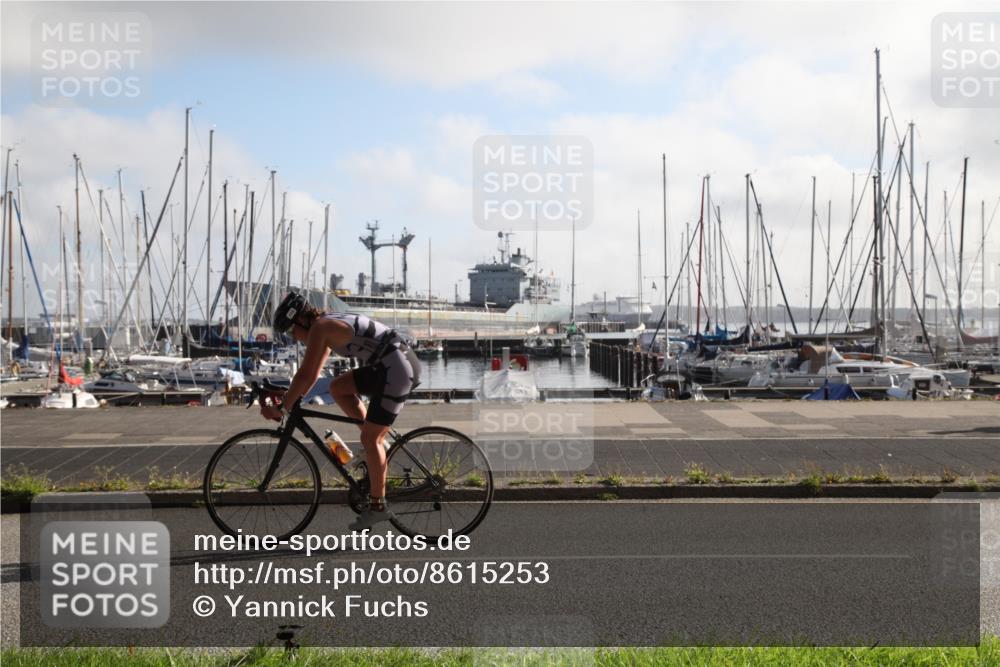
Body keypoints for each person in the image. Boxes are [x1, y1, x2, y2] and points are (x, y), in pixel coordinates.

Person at [267, 291, 421, 530]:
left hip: (397, 369)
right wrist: (288, 396)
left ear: (301, 320)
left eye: (291, 331)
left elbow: (307, 374)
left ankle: (378, 506)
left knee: (370, 438)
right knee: (338, 387)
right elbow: (312, 374)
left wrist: (284, 407)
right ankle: (379, 446)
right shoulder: (325, 325)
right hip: (388, 365)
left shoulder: (321, 327)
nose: (294, 338)